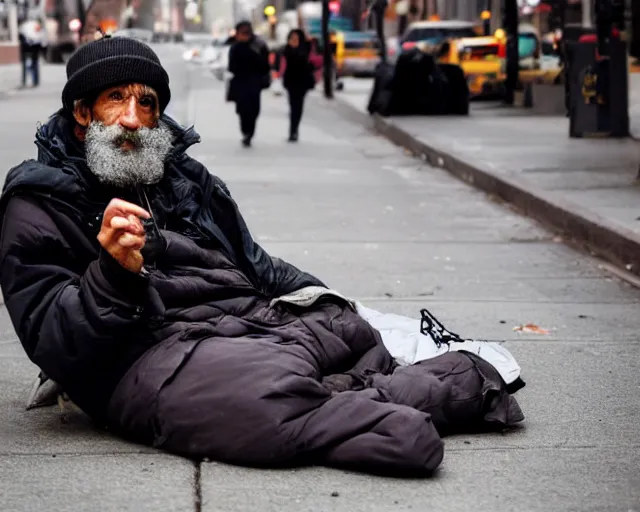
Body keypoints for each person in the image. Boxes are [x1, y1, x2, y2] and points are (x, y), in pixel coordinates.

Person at [0, 36, 525, 476]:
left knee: (347, 332)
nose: (134, 120)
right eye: (116, 99)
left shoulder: (187, 179)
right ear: (81, 113)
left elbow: (258, 267)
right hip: (145, 353)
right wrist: (113, 274)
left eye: (148, 104)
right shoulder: (39, 204)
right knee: (259, 398)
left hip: (250, 323)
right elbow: (52, 339)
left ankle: (354, 394)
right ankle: (409, 395)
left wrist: (330, 303)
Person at [227, 21, 270, 147]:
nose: (244, 36)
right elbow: (231, 67)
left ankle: (249, 133)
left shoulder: (258, 46)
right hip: (240, 82)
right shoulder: (235, 47)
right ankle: (246, 132)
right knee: (242, 110)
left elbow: (265, 65)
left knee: (254, 109)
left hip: (254, 82)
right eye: (241, 33)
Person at [280, 29, 316, 142]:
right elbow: (282, 63)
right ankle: (293, 131)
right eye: (292, 37)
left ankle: (294, 130)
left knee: (298, 106)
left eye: (296, 37)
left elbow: (312, 62)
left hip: (302, 81)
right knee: (293, 106)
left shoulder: (306, 48)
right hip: (291, 82)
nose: (294, 40)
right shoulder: (286, 49)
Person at [18, 15, 46, 88]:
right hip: (35, 47)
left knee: (26, 65)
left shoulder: (24, 26)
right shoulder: (37, 25)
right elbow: (41, 38)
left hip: (27, 47)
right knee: (34, 64)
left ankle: (25, 81)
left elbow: (21, 37)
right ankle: (35, 81)